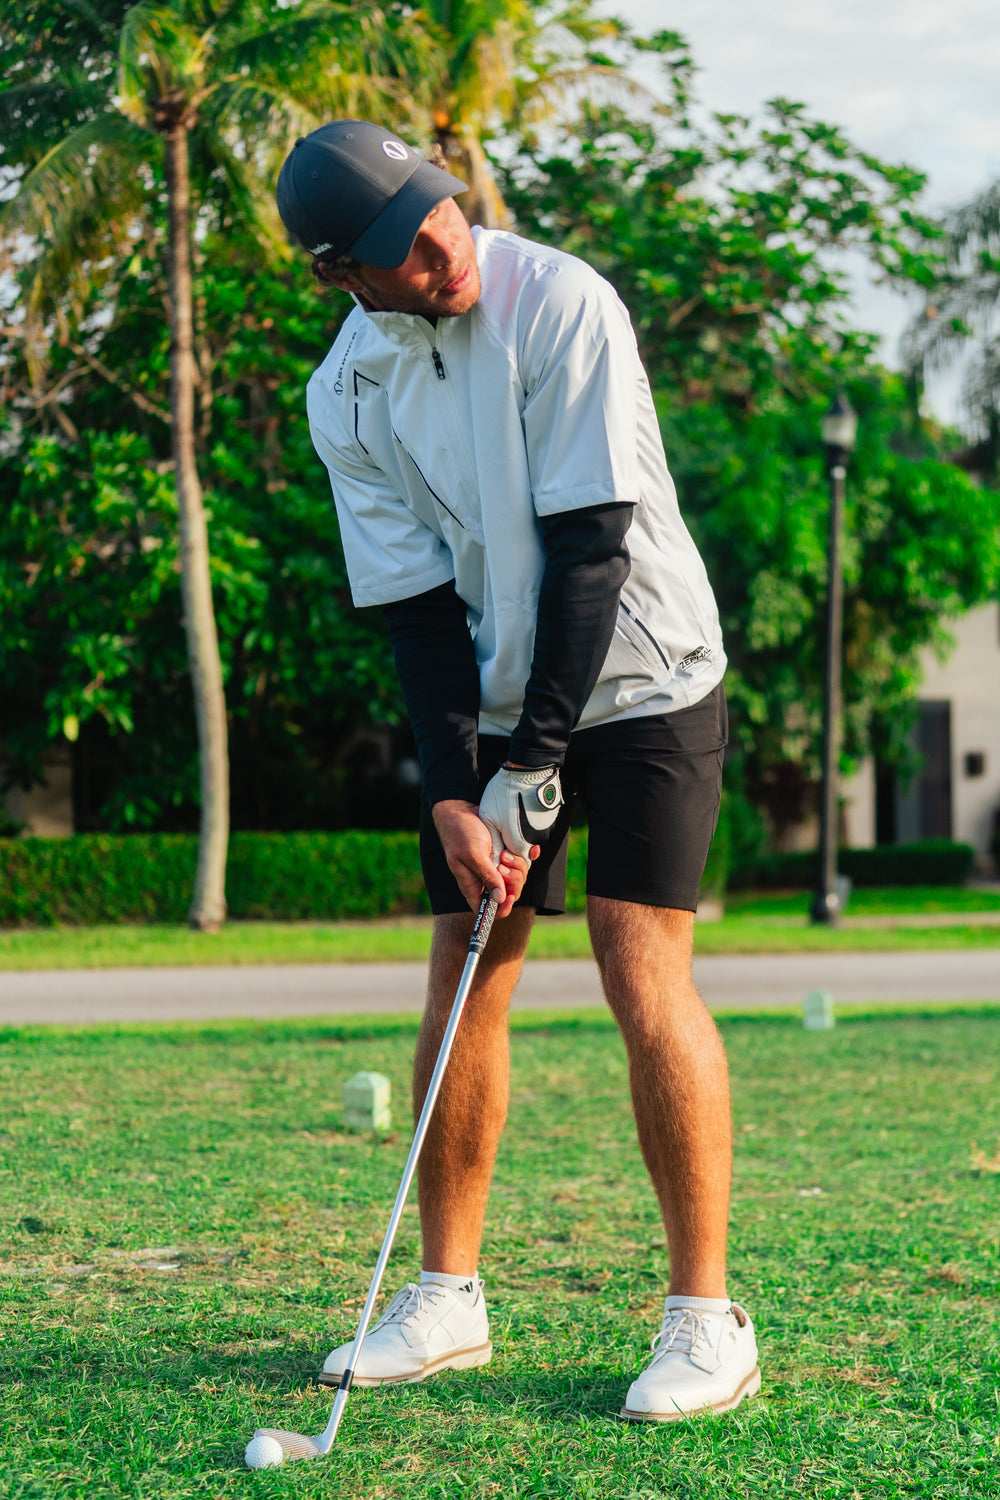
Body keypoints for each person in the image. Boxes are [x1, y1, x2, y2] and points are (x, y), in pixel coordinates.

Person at [276, 119, 760, 1422]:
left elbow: (591, 548)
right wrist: (455, 786)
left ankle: (707, 1321)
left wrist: (534, 766)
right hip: (496, 690)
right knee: (467, 954)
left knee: (633, 948)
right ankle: (446, 1301)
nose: (438, 249)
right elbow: (421, 609)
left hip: (650, 669)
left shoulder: (561, 303)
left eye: (436, 214)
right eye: (397, 248)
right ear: (345, 276)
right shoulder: (346, 399)